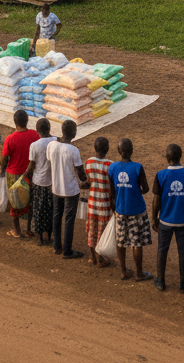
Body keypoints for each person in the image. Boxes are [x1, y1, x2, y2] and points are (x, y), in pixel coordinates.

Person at [151, 143, 184, 292]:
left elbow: (156, 200)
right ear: (180, 157)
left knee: (162, 249)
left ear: (167, 158)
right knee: (183, 251)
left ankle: (161, 282)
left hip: (165, 220)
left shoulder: (160, 175)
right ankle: (183, 284)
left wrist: (154, 218)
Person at [108, 137, 151, 281]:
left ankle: (124, 271)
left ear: (119, 151)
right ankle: (139, 273)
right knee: (136, 243)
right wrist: (135, 189)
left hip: (120, 209)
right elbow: (145, 188)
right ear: (132, 150)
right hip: (137, 209)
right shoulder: (137, 167)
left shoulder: (112, 167)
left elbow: (112, 191)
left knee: (121, 242)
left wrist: (114, 206)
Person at [48, 119, 87, 257]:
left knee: (57, 216)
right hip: (70, 190)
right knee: (69, 220)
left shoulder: (51, 145)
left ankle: (57, 246)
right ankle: (67, 250)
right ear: (74, 133)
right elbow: (81, 174)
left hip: (56, 188)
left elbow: (50, 161)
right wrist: (86, 179)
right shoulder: (73, 150)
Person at [1, 109, 39, 239]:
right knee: (30, 200)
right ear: (27, 121)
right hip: (30, 174)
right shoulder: (34, 135)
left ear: (14, 122)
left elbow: (5, 158)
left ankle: (16, 230)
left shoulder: (9, 139)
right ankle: (29, 229)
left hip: (14, 174)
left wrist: (2, 173)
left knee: (15, 201)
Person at [24, 118, 56, 246]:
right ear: (49, 128)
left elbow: (31, 165)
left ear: (37, 130)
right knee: (50, 209)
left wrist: (24, 175)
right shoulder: (55, 141)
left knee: (38, 209)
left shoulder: (34, 145)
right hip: (52, 182)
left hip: (38, 182)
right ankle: (49, 235)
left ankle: (40, 238)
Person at [84, 136, 113, 265]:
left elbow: (88, 181)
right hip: (105, 204)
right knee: (101, 231)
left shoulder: (89, 162)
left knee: (92, 230)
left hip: (92, 203)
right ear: (107, 149)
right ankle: (100, 257)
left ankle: (93, 258)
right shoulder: (110, 165)